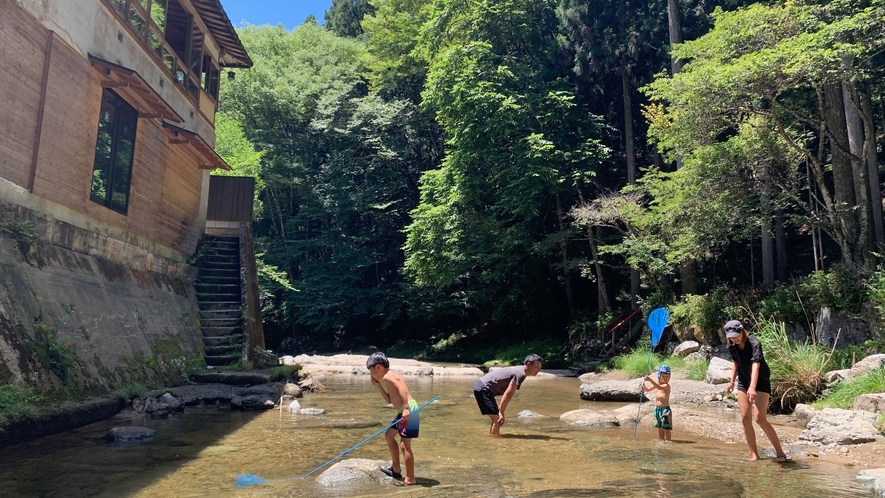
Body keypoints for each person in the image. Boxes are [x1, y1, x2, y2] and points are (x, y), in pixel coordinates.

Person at [723, 320, 791, 463]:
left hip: (760, 381)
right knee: (745, 418)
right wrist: (731, 382)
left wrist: (753, 387)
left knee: (760, 418)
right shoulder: (732, 346)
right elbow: (736, 363)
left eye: (736, 335)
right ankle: (754, 455)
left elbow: (756, 366)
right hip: (743, 382)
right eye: (731, 336)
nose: (734, 339)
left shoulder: (754, 343)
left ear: (742, 331)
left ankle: (780, 453)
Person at [366, 352, 420, 486]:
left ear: (378, 367)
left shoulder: (389, 376)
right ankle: (395, 469)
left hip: (409, 410)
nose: (371, 374)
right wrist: (378, 386)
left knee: (404, 445)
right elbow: (390, 399)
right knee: (389, 435)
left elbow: (402, 389)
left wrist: (406, 407)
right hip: (403, 411)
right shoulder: (387, 377)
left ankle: (410, 479)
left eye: (371, 371)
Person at [473, 354, 543, 435]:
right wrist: (501, 412)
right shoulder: (520, 374)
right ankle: (495, 443)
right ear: (528, 364)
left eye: (540, 368)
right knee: (498, 420)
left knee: (497, 419)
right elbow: (508, 394)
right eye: (537, 367)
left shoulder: (520, 372)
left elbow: (507, 393)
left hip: (483, 388)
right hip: (483, 388)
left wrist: (500, 411)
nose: (538, 370)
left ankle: (494, 439)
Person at [642, 365, 672, 441]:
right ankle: (661, 440)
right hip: (658, 409)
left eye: (667, 376)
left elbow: (659, 387)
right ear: (659, 376)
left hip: (665, 410)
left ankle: (668, 441)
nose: (665, 378)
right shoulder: (658, 384)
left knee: (666, 427)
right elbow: (648, 389)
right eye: (663, 376)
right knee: (660, 427)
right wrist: (644, 388)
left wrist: (650, 379)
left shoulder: (666, 385)